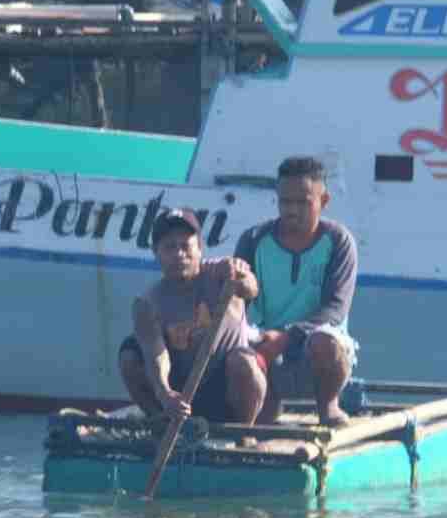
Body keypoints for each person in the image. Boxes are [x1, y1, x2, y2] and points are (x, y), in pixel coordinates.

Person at [234, 156, 359, 427]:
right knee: (234, 353)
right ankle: (261, 411)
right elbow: (235, 306)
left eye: (303, 202)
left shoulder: (339, 241)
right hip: (265, 345)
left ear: (324, 202)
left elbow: (335, 310)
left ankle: (328, 408)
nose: (292, 210)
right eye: (285, 202)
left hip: (313, 348)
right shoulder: (253, 240)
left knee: (326, 342)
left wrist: (287, 336)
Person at [118, 207, 267, 425]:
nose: (179, 254)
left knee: (243, 361)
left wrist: (241, 276)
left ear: (200, 248)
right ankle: (159, 423)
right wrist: (164, 392)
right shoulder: (147, 303)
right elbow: (156, 354)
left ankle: (244, 432)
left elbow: (251, 289)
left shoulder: (222, 273)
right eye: (170, 248)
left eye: (185, 246)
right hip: (183, 393)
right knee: (129, 355)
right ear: (156, 253)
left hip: (225, 386)